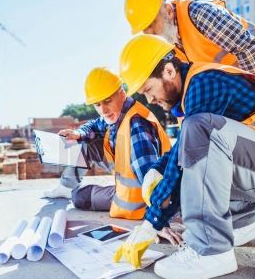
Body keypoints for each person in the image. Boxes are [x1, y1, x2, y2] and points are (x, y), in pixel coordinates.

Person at [113, 34, 255, 279]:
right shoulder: (193, 88)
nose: (150, 100)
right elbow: (182, 153)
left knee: (200, 133)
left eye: (148, 90)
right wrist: (157, 169)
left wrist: (152, 220)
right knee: (192, 185)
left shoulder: (205, 84)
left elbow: (190, 151)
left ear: (168, 71)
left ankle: (211, 251)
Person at [44, 67, 171, 220]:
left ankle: (72, 192)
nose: (103, 110)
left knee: (79, 197)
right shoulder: (119, 113)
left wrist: (158, 218)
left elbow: (149, 177)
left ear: (122, 93)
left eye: (107, 101)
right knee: (87, 143)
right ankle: (65, 187)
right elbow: (95, 124)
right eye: (97, 105)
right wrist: (79, 133)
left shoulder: (137, 125)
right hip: (130, 182)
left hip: (138, 201)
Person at [124, 0, 255, 87]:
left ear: (169, 11)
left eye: (152, 23)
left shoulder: (198, 14)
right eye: (144, 29)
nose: (149, 33)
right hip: (230, 73)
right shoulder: (169, 46)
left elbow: (248, 47)